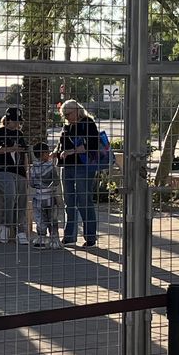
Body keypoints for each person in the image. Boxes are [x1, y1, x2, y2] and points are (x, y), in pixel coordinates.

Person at [55, 99, 107, 248]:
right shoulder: (67, 126)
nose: (66, 117)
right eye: (64, 114)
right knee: (69, 202)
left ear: (77, 110)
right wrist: (55, 153)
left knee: (84, 201)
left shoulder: (87, 123)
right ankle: (69, 236)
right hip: (67, 166)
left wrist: (71, 151)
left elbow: (91, 144)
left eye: (68, 113)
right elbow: (62, 144)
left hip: (83, 166)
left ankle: (90, 237)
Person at [0, 107, 28, 245]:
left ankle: (20, 230)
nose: (18, 124)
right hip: (3, 170)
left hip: (19, 172)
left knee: (22, 200)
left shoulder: (20, 134)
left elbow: (24, 154)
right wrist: (10, 149)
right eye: (16, 121)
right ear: (9, 120)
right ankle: (5, 227)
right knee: (10, 195)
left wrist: (26, 172)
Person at [28, 142, 60, 249]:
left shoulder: (32, 168)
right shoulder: (50, 166)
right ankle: (54, 239)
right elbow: (56, 181)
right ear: (43, 154)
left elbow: (31, 183)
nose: (49, 154)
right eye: (47, 152)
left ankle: (41, 238)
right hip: (50, 196)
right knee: (52, 218)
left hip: (38, 197)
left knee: (40, 219)